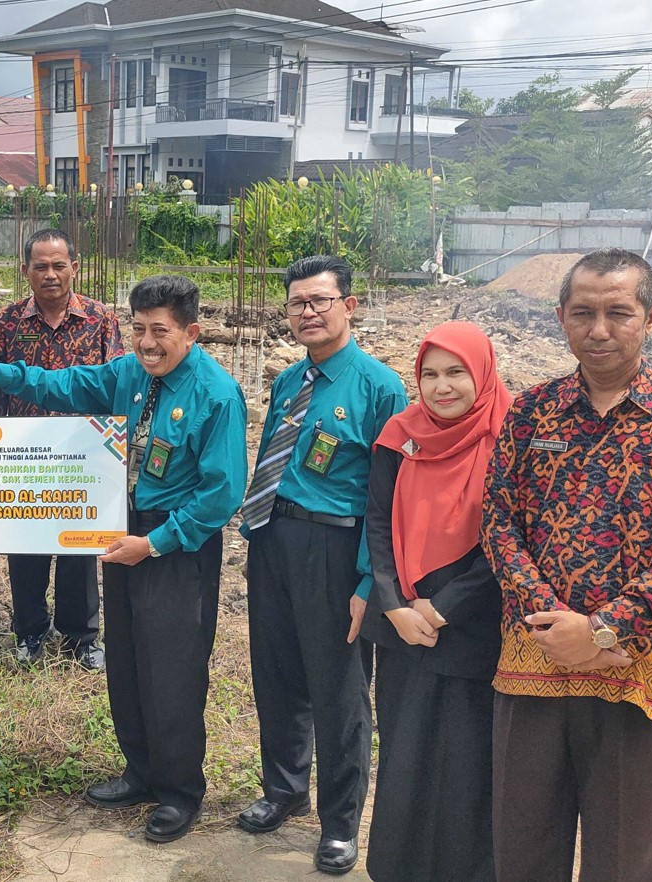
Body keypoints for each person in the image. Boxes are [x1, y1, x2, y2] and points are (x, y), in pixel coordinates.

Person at [482, 248, 652, 882]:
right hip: (535, 664)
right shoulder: (532, 412)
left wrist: (601, 632)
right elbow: (500, 523)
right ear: (561, 317)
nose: (599, 330)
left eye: (618, 313)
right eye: (583, 312)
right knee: (524, 850)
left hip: (639, 671)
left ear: (651, 318)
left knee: (625, 858)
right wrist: (554, 629)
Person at [0, 275, 247, 843]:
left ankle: (178, 792)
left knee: (171, 670)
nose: (147, 342)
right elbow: (67, 385)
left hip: (175, 546)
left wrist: (155, 544)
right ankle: (140, 771)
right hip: (125, 533)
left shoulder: (216, 394)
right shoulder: (129, 374)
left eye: (160, 332)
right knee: (126, 659)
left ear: (190, 332)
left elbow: (220, 494)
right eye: (139, 329)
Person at [237, 255, 407, 875]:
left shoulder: (380, 386)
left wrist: (370, 579)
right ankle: (283, 790)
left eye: (319, 301)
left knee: (338, 688)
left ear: (349, 307)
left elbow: (386, 498)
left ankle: (339, 822)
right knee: (276, 672)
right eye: (297, 304)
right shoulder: (289, 380)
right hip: (275, 537)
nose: (307, 313)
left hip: (335, 549)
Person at [361, 321, 510, 882]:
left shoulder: (509, 435)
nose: (442, 387)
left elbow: (507, 538)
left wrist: (442, 606)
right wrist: (395, 603)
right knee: (405, 749)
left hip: (472, 623)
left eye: (456, 373)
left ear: (482, 373)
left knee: (468, 759)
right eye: (429, 374)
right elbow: (376, 522)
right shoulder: (400, 434)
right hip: (402, 623)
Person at [0, 228, 124, 669]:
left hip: (82, 458)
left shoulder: (101, 320)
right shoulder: (7, 322)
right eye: (40, 266)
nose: (50, 274)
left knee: (79, 548)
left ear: (74, 269)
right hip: (23, 457)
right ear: (25, 270)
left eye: (58, 265)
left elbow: (113, 387)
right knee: (25, 546)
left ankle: (81, 636)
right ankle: (29, 632)